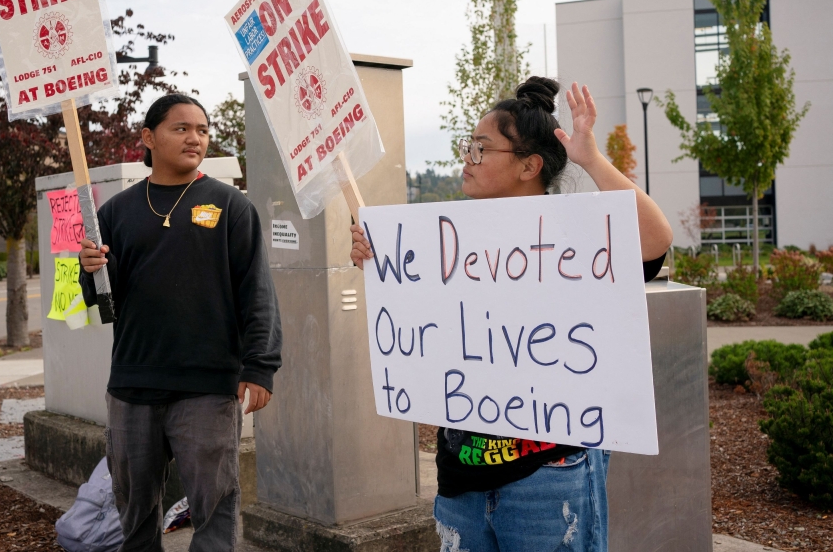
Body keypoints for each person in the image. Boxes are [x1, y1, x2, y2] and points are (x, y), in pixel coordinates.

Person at [350, 78, 673, 552]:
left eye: (482, 149)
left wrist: (591, 159)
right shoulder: (447, 243)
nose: (467, 158)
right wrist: (379, 263)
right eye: (468, 146)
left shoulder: (575, 237)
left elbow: (655, 239)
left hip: (547, 480)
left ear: (530, 165)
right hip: (461, 481)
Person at [78, 93, 282, 552]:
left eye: (203, 130)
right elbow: (103, 305)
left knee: (215, 509)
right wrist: (88, 269)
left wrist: (260, 365)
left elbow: (257, 291)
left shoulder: (231, 206)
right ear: (148, 138)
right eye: (181, 128)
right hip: (133, 385)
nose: (195, 138)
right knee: (134, 513)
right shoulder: (115, 212)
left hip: (208, 388)